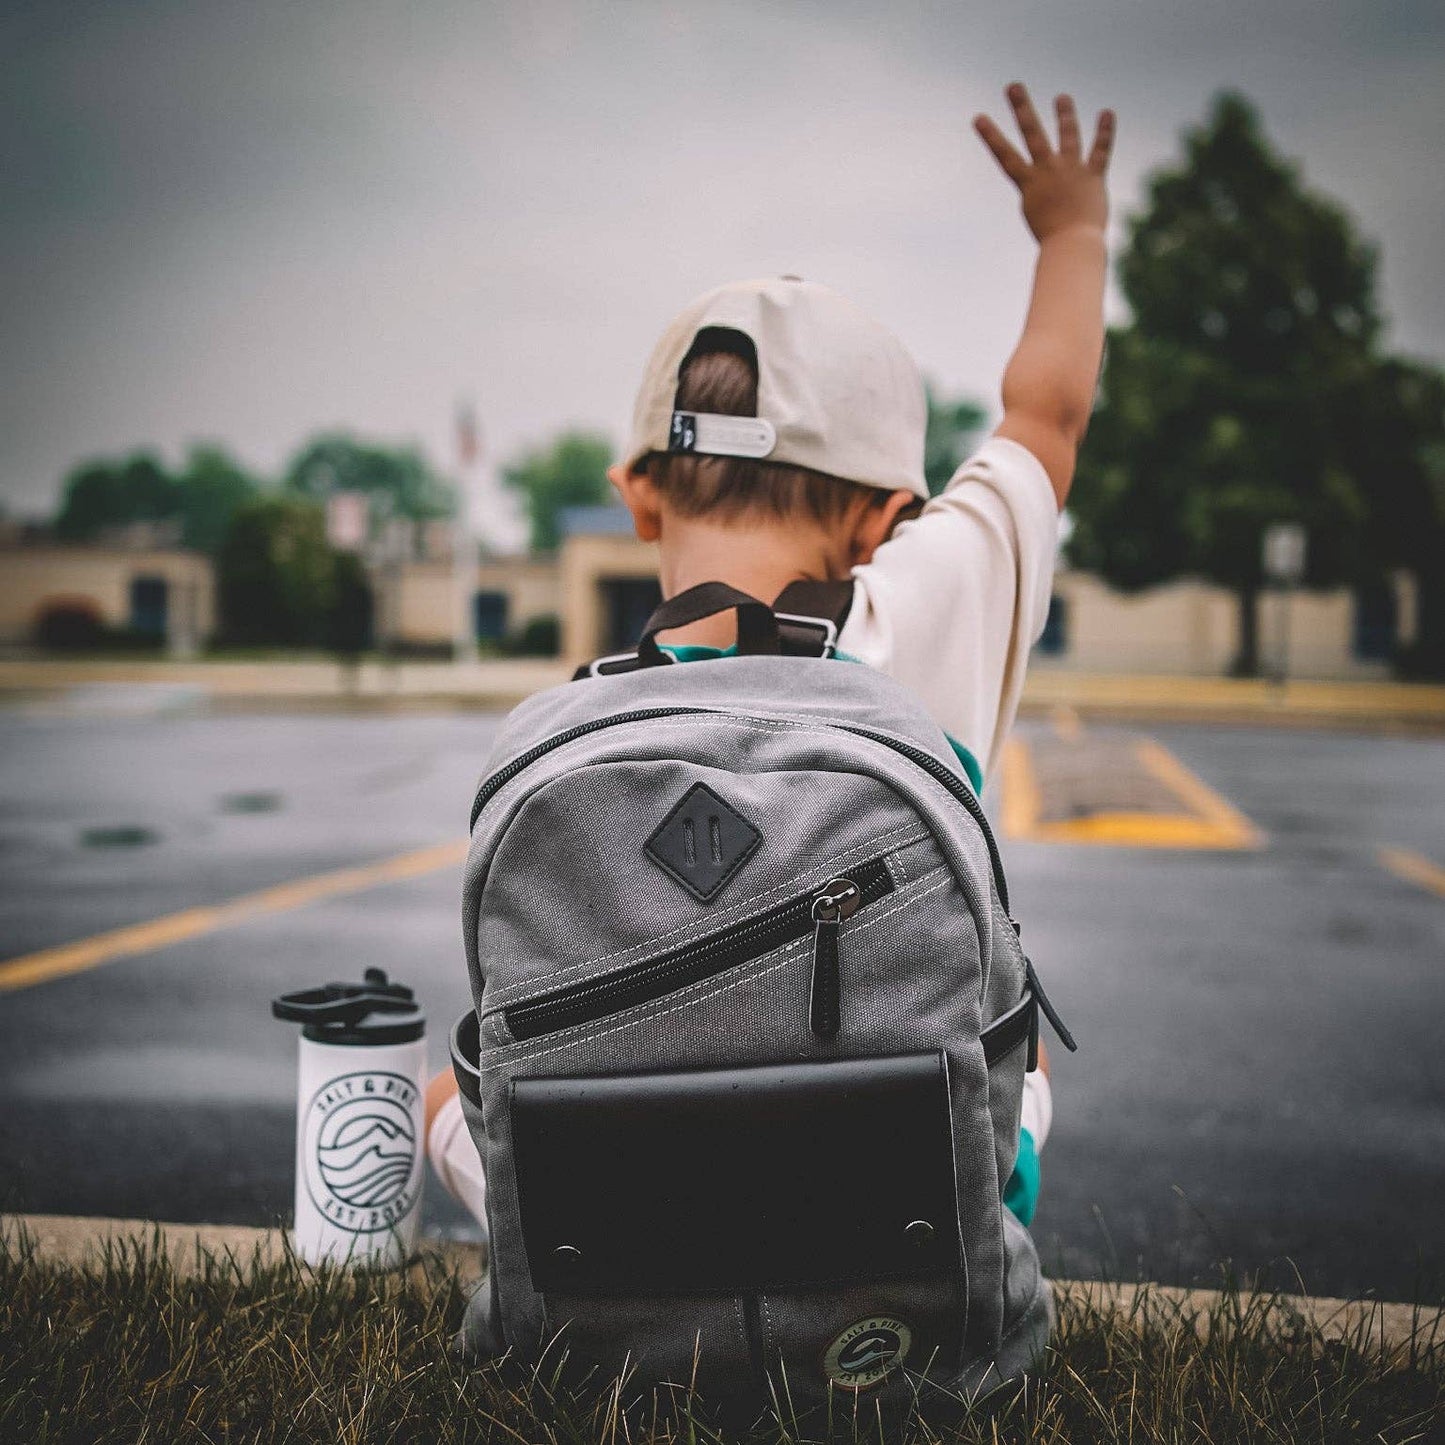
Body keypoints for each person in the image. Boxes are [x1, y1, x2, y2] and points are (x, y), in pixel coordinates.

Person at [426, 80, 1113, 1248]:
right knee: (1015, 1030)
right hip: (900, 1231)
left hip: (628, 1246)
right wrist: (1072, 231)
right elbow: (1044, 415)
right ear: (880, 519)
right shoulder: (930, 609)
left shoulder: (578, 722)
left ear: (638, 496)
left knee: (448, 1087)